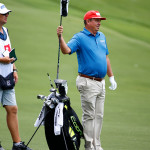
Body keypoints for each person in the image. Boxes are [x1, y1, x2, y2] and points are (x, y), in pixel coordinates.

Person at [57, 10, 117, 150]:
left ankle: (97, 145)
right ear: (88, 21)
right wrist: (60, 37)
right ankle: (90, 147)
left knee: (99, 116)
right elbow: (66, 50)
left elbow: (105, 57)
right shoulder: (79, 37)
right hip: (87, 82)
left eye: (100, 20)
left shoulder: (102, 36)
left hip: (101, 83)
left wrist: (111, 76)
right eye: (96, 20)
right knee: (89, 116)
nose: (99, 23)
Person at [0, 3, 32, 150]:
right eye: (4, 13)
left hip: (7, 75)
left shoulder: (6, 30)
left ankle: (17, 145)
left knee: (12, 109)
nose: (7, 15)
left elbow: (9, 51)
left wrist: (14, 69)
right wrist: (3, 60)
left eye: (7, 13)